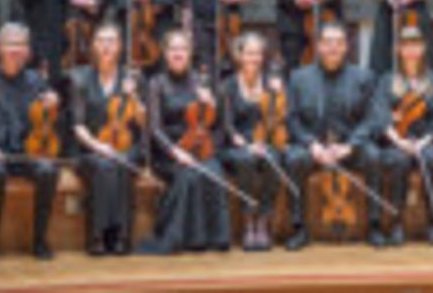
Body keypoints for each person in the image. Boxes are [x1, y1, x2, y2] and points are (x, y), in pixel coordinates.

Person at [282, 22, 384, 250]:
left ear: (346, 47)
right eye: (327, 42)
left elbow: (373, 119)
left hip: (349, 147)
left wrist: (351, 145)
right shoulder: (299, 77)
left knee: (374, 155)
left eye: (338, 43)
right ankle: (299, 228)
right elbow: (291, 120)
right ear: (318, 46)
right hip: (314, 147)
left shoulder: (364, 77)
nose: (333, 48)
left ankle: (375, 225)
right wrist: (312, 145)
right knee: (293, 159)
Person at [0, 22, 60, 263]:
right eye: (10, 44)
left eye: (21, 45)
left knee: (48, 170)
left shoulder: (37, 81)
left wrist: (54, 106)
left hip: (26, 153)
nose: (16, 50)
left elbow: (48, 125)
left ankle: (40, 240)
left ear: (28, 51)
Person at [137, 30, 231, 254]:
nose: (178, 53)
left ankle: (215, 238)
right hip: (167, 152)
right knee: (188, 174)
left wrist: (212, 105)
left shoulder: (201, 82)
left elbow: (215, 124)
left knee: (213, 170)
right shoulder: (156, 83)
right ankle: (188, 238)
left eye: (183, 49)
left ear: (190, 53)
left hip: (198, 147)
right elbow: (154, 128)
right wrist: (175, 152)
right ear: (165, 53)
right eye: (173, 49)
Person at [68, 23, 144, 256]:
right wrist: (98, 146)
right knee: (104, 165)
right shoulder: (80, 78)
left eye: (111, 41)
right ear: (93, 46)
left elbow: (143, 122)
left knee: (120, 161)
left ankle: (121, 234)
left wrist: (135, 97)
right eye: (101, 40)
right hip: (89, 149)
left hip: (127, 146)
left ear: (120, 46)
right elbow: (78, 125)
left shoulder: (131, 78)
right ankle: (99, 235)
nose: (106, 46)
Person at [220, 32, 291, 252]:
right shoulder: (228, 85)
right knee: (246, 161)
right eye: (249, 53)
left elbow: (281, 117)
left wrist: (281, 94)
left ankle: (264, 221)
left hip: (265, 141)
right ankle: (249, 220)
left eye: (258, 53)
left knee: (274, 157)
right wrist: (247, 145)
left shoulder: (272, 84)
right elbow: (227, 126)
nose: (254, 58)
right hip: (236, 144)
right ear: (239, 55)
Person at [377, 26, 433, 246]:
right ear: (399, 49)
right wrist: (399, 141)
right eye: (406, 45)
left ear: (423, 48)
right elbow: (379, 114)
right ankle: (397, 222)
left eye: (416, 44)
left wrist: (424, 141)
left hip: (425, 140)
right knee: (399, 160)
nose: (411, 50)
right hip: (396, 141)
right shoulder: (388, 80)